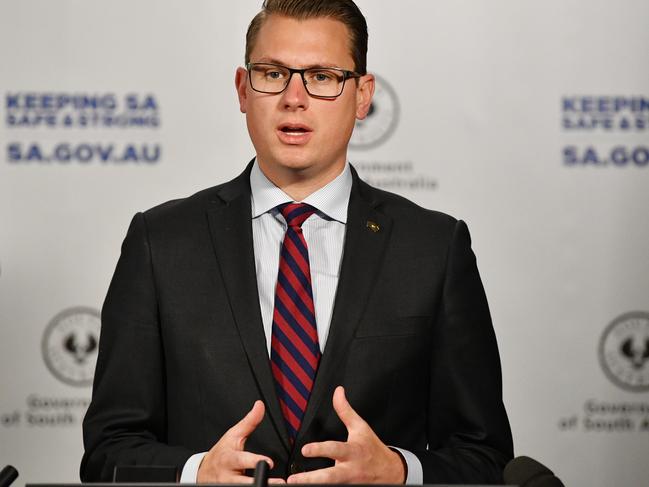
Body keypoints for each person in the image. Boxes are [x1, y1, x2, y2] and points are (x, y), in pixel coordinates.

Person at [81, 0, 513, 484]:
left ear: (363, 95)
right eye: (272, 73)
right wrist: (194, 472)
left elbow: (485, 457)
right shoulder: (160, 243)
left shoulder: (433, 247)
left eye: (323, 77)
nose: (294, 98)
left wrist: (398, 471)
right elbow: (107, 453)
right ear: (244, 90)